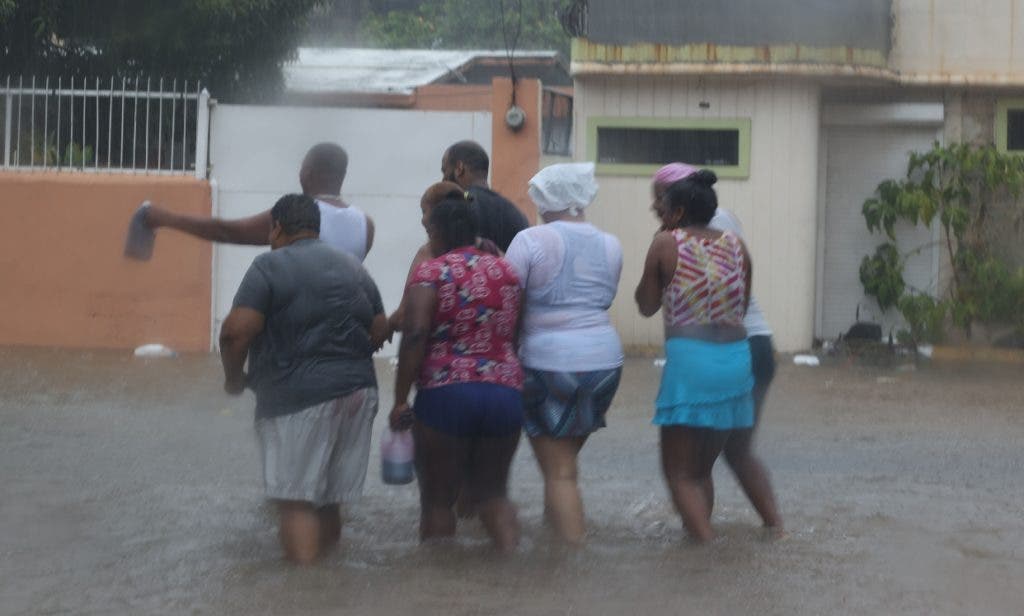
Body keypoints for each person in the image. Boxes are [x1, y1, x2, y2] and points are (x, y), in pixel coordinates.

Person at [219, 193, 388, 564]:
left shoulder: (268, 266)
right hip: (359, 395)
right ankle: (327, 590)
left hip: (297, 399)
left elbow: (236, 332)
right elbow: (379, 328)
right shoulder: (352, 266)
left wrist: (235, 378)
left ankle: (303, 593)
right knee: (328, 499)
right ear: (316, 227)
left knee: (295, 501)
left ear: (276, 227)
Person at [652, 163, 783, 535]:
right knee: (725, 457)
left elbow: (653, 299)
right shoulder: (726, 228)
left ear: (678, 203)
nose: (657, 210)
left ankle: (705, 547)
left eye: (660, 202)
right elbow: (738, 301)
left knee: (685, 470)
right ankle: (774, 529)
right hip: (747, 349)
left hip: (710, 351)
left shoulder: (676, 237)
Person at [389, 197, 524, 551]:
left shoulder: (432, 272)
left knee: (437, 500)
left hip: (446, 394)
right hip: (505, 392)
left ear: (437, 232)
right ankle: (517, 577)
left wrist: (400, 399)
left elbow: (415, 333)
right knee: (494, 494)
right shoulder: (506, 271)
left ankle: (439, 589)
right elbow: (516, 331)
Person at [503, 162, 624, 545]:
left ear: (544, 197)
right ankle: (554, 542)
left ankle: (572, 565)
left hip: (549, 361)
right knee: (563, 464)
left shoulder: (530, 240)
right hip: (604, 364)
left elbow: (507, 301)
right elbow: (604, 298)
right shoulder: (610, 243)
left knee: (558, 471)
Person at [634, 169, 755, 542]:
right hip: (736, 361)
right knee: (701, 470)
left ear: (678, 212)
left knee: (678, 473)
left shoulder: (666, 244)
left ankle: (706, 547)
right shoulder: (737, 246)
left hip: (691, 364)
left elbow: (646, 305)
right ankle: (698, 541)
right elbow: (742, 304)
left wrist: (657, 244)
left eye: (665, 209)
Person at [144, 142, 375, 261]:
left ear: (308, 174)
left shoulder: (296, 214)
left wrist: (165, 218)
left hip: (295, 337)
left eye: (302, 167)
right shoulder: (366, 225)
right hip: (344, 335)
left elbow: (227, 231)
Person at [441, 140, 529, 252]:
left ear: (459, 168)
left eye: (445, 171)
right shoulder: (516, 212)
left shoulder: (463, 200)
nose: (443, 180)